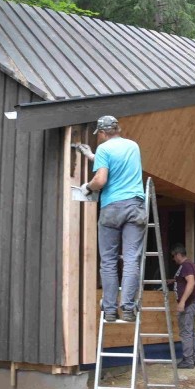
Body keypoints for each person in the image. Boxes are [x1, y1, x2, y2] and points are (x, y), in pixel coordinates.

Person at [75, 116, 146, 323]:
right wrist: (91, 156)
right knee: (132, 258)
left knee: (108, 261)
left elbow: (101, 180)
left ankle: (110, 310)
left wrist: (87, 187)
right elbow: (118, 163)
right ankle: (128, 308)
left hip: (112, 209)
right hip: (134, 206)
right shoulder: (133, 146)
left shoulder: (105, 150)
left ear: (103, 133)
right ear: (117, 129)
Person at [171, 244, 195, 369]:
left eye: (174, 256)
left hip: (189, 304)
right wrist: (174, 281)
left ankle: (188, 360)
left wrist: (182, 301)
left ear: (178, 255)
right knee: (191, 331)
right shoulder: (188, 265)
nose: (173, 259)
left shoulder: (186, 265)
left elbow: (191, 282)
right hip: (192, 303)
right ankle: (193, 358)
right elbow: (185, 281)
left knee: (186, 332)